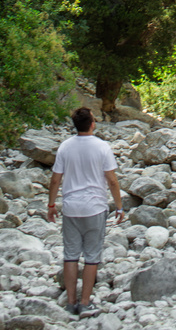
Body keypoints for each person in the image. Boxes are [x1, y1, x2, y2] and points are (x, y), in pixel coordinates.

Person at [47, 106, 124, 316]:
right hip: (95, 208)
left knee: (70, 256)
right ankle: (85, 302)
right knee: (91, 257)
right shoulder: (102, 147)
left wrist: (51, 205)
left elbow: (55, 179)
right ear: (92, 124)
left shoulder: (65, 147)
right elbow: (112, 181)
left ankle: (70, 302)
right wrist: (119, 207)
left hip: (71, 208)